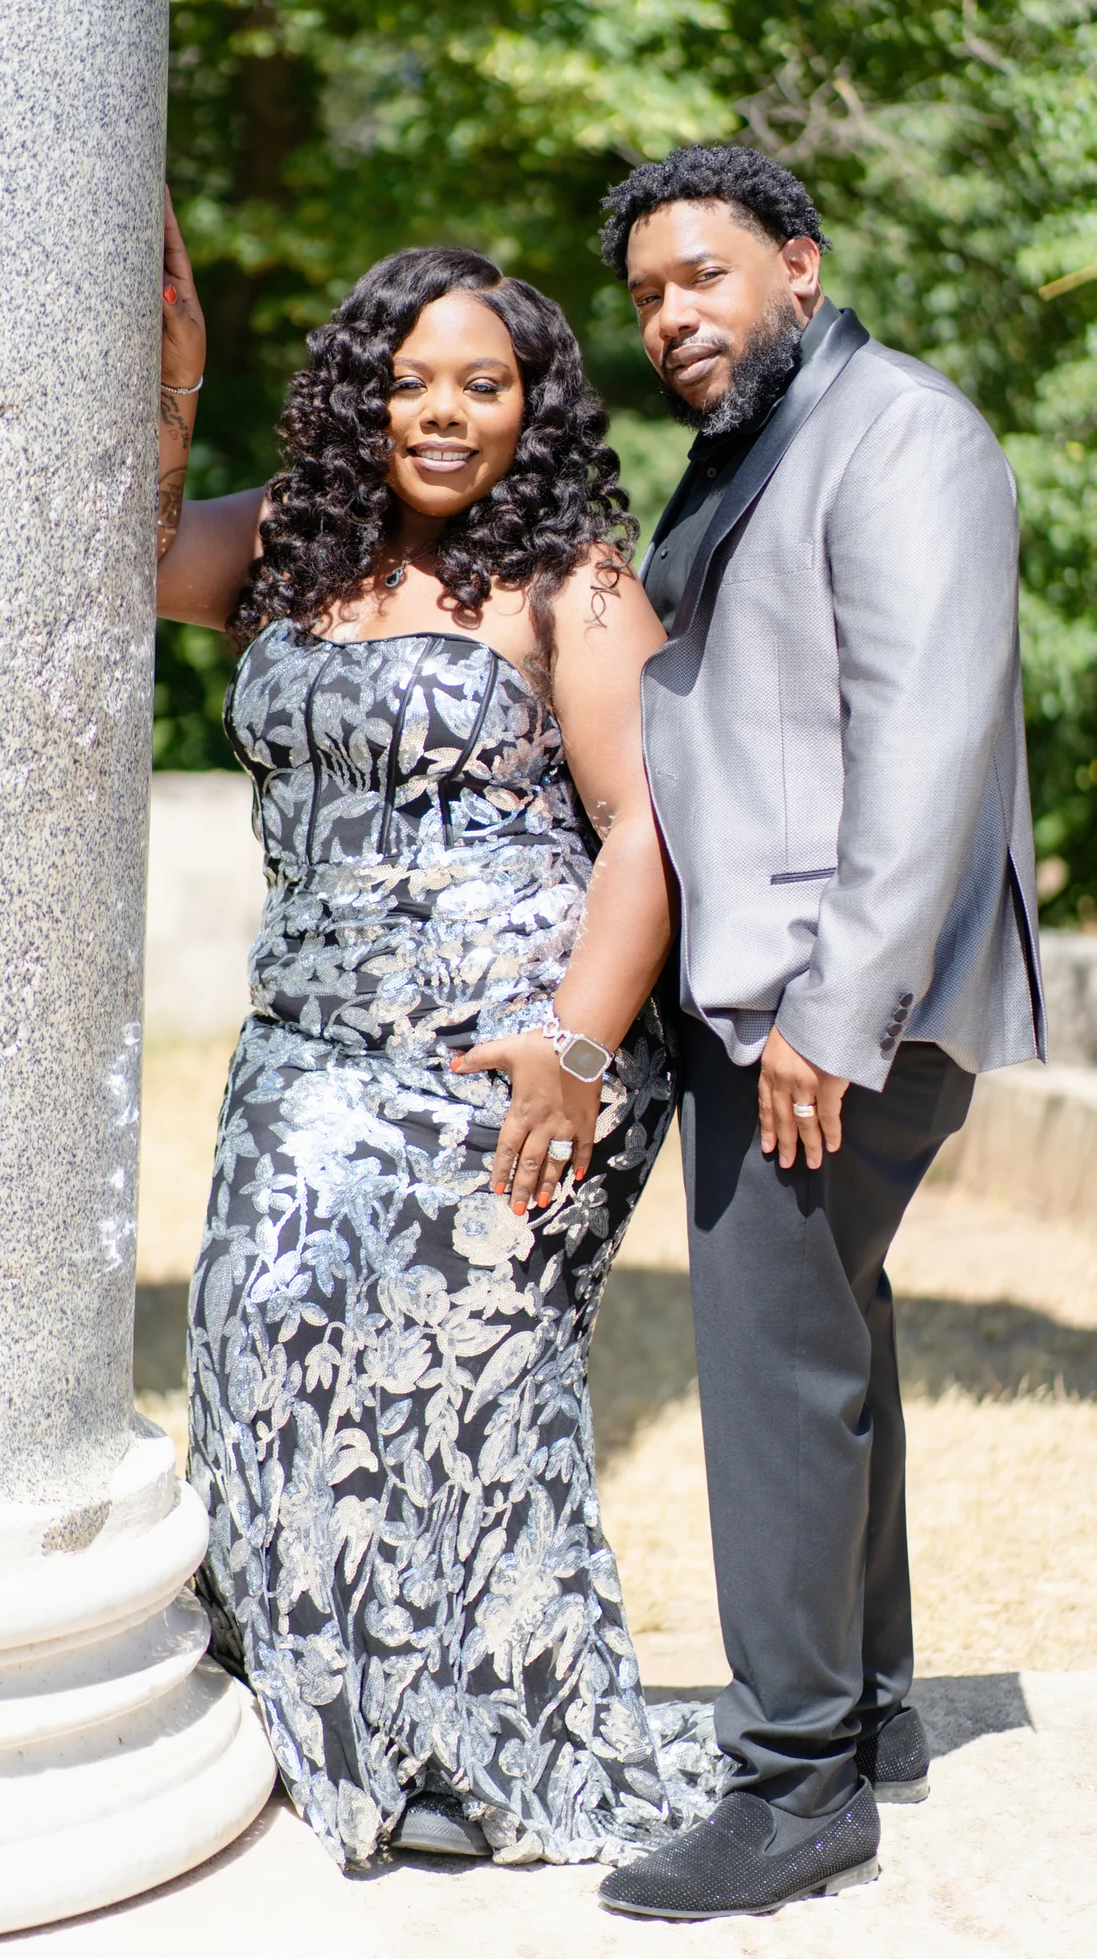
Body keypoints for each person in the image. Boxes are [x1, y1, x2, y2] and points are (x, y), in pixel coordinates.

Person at [155, 194, 721, 1869]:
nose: (446, 412)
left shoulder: (573, 586)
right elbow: (118, 558)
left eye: (485, 383)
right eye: (412, 380)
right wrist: (176, 387)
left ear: (532, 406)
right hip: (307, 1046)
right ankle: (333, 1733)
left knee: (468, 1397)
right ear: (363, 395)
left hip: (519, 1059)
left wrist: (578, 1050)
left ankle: (493, 1748)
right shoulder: (292, 548)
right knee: (259, 1340)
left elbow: (645, 828)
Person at [590, 145, 1046, 1922]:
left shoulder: (901, 432)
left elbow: (924, 735)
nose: (671, 318)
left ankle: (792, 1789)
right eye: (647, 295)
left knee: (773, 1363)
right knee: (829, 1332)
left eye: (701, 276)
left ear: (800, 261)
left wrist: (829, 1016)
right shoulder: (767, 437)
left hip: (827, 1001)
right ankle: (871, 1708)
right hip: (784, 987)